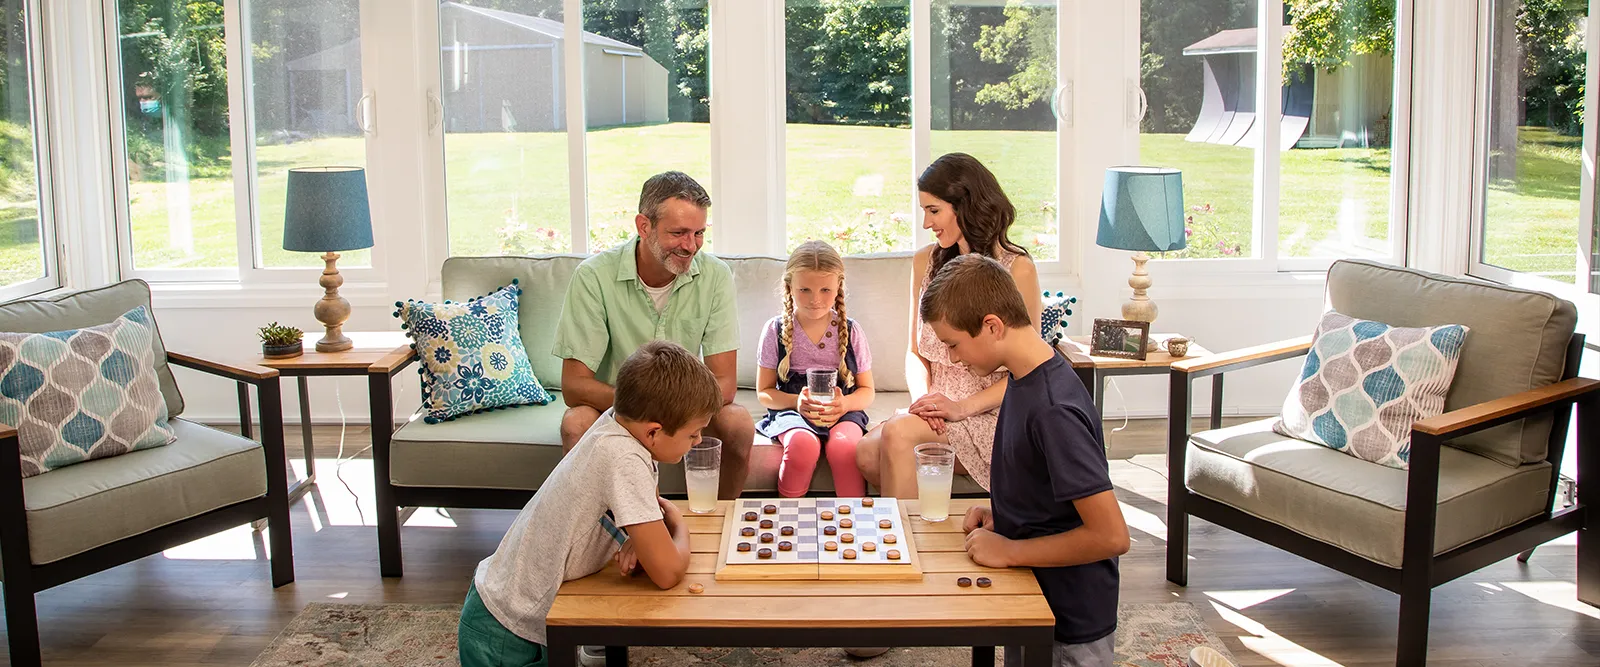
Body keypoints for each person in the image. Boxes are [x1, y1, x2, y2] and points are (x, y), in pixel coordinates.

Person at [457, 341, 723, 667]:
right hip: (504, 631)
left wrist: (642, 535)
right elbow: (668, 572)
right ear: (653, 431)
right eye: (693, 434)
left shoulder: (621, 423)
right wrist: (679, 525)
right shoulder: (622, 457)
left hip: (507, 611)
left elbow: (642, 502)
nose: (697, 442)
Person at [923, 254, 1129, 667]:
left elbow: (1111, 536)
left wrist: (1010, 552)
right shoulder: (1022, 377)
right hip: (1034, 599)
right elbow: (1046, 486)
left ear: (992, 325)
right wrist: (1007, 515)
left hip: (1069, 619)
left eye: (953, 344)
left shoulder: (1054, 409)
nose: (954, 358)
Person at [552, 171, 754, 499]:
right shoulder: (593, 277)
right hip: (618, 409)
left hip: (687, 411)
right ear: (644, 226)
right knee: (576, 422)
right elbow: (575, 386)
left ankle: (720, 523)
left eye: (699, 233)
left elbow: (725, 385)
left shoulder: (716, 276)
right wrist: (644, 411)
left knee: (739, 423)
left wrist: (672, 413)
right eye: (678, 233)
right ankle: (602, 537)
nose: (691, 246)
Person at [856, 153, 1042, 498]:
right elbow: (915, 352)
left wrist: (960, 408)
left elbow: (1030, 369)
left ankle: (906, 546)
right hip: (938, 407)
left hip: (989, 412)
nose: (926, 223)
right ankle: (934, 527)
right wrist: (928, 403)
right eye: (924, 211)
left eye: (934, 210)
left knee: (897, 436)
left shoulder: (1017, 269)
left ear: (965, 205)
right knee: (866, 453)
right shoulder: (924, 262)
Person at [755, 240, 875, 498]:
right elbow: (764, 392)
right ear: (789, 287)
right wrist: (796, 401)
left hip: (841, 410)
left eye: (825, 290)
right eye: (805, 290)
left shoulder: (851, 331)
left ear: (838, 288)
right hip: (791, 410)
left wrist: (843, 405)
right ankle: (787, 518)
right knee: (802, 445)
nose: (815, 300)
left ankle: (852, 519)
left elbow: (867, 391)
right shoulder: (775, 330)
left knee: (845, 447)